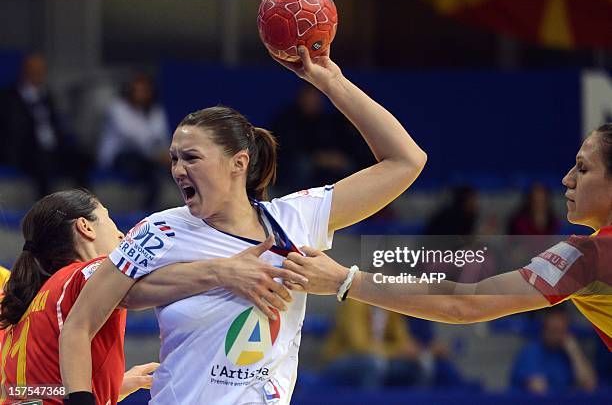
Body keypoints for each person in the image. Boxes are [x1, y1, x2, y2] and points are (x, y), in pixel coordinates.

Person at [59, 44, 427, 405]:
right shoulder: (160, 231)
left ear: (238, 163)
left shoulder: (292, 220)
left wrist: (332, 82)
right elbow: (79, 323)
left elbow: (406, 161)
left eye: (191, 157)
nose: (177, 170)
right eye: (173, 158)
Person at [282, 123, 612, 352]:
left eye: (583, 169)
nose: (567, 179)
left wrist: (344, 280)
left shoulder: (590, 255)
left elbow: (463, 302)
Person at [0, 189, 303, 404]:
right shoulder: (87, 273)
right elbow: (137, 288)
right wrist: (225, 271)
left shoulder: (23, 306)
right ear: (85, 227)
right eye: (109, 220)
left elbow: (35, 392)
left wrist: (114, 387)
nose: (121, 235)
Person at [0, 53, 92, 197]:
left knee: (81, 158)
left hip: (53, 148)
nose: (38, 73)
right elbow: (13, 131)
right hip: (28, 150)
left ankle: (84, 205)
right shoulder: (10, 97)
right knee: (42, 163)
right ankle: (46, 212)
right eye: (34, 69)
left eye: (41, 70)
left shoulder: (48, 95)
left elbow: (57, 126)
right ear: (25, 71)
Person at [98, 73, 170, 210]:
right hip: (120, 155)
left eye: (145, 90)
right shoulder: (118, 108)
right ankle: (146, 213)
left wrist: (167, 154)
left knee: (167, 169)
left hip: (149, 156)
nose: (141, 94)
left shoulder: (155, 110)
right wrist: (158, 155)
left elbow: (162, 136)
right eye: (138, 90)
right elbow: (133, 137)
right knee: (151, 170)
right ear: (130, 91)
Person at [510, 306, 597, 394]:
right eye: (553, 330)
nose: (557, 336)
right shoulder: (531, 352)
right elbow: (539, 391)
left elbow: (589, 385)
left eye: (561, 331)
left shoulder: (567, 352)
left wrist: (574, 352)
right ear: (544, 329)